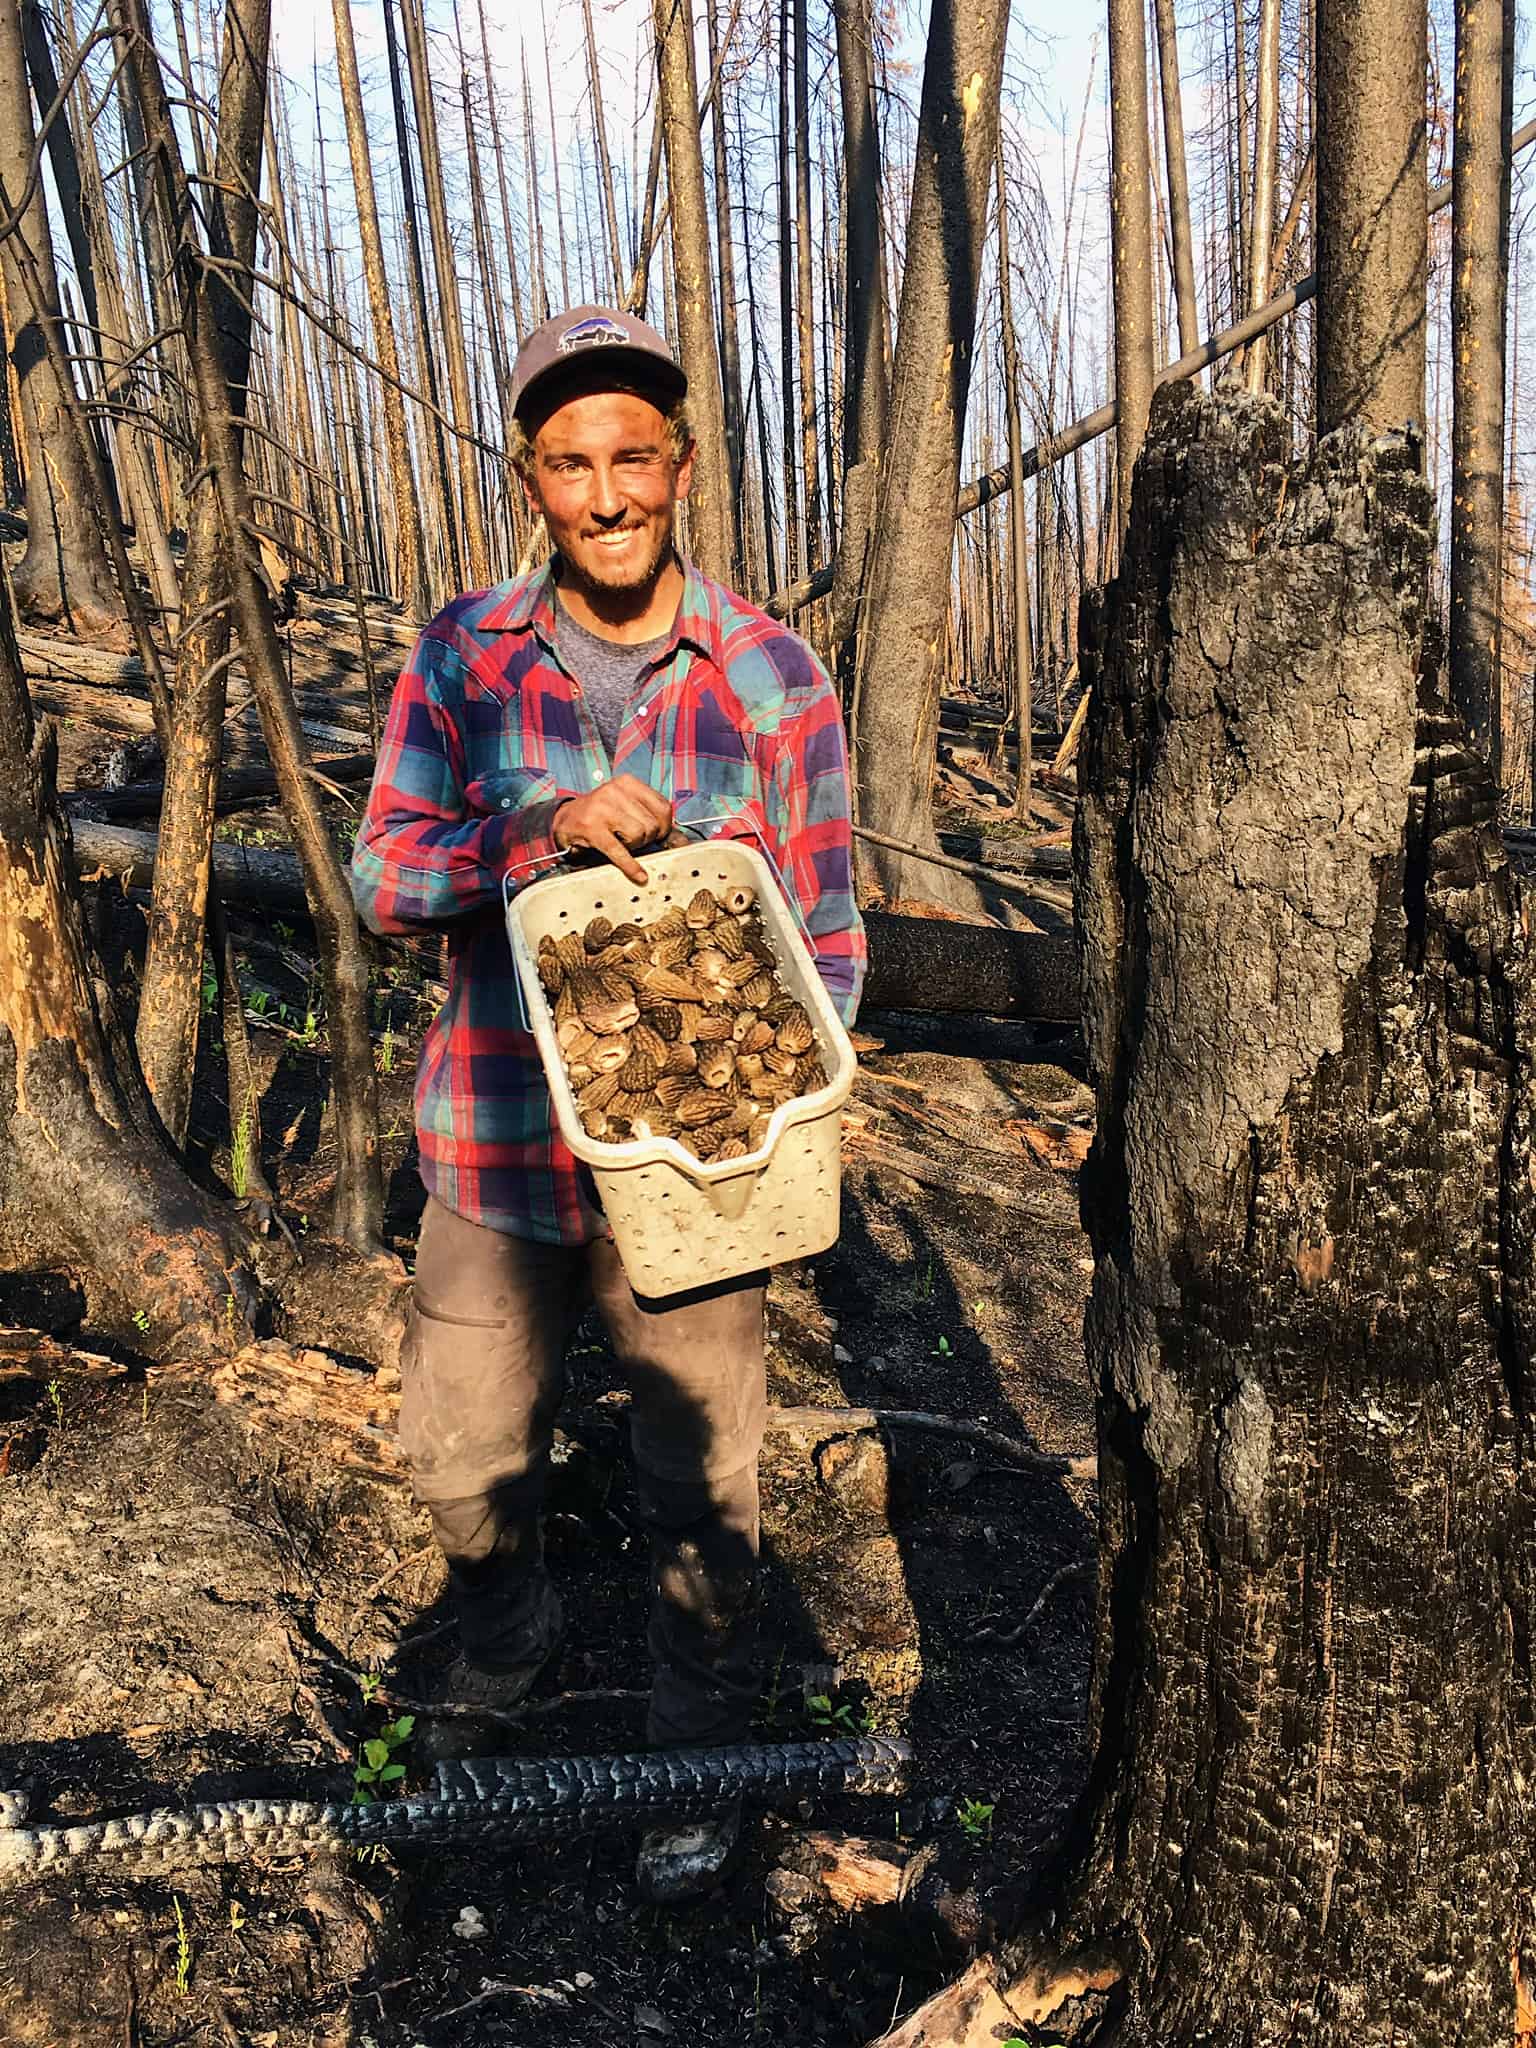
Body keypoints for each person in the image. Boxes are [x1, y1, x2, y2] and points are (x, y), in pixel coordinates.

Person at [351, 305, 864, 1902]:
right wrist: (530, 833)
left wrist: (768, 1105)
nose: (607, 492)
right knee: (460, 1457)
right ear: (530, 479)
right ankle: (503, 1650)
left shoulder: (772, 674)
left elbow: (830, 937)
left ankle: (693, 1749)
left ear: (684, 466)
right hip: (497, 1151)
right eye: (570, 463)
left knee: (701, 1491)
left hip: (701, 1185)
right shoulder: (463, 656)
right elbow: (382, 873)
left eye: (633, 455)